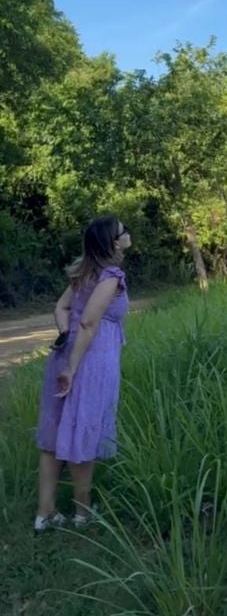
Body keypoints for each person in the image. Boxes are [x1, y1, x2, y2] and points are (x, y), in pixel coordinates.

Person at [34, 215, 131, 532]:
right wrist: (72, 368)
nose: (127, 234)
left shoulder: (83, 273)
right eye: (122, 232)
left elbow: (61, 308)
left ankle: (45, 513)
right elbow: (89, 322)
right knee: (82, 431)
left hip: (67, 353)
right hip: (89, 362)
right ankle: (82, 513)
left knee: (54, 434)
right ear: (113, 243)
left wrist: (65, 334)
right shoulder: (111, 276)